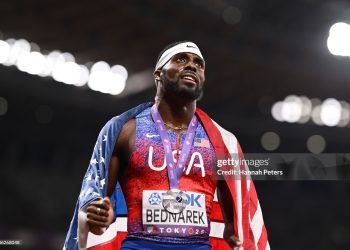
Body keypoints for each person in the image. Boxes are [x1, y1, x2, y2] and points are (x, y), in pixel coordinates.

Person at [64, 41, 269, 250]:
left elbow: (237, 221)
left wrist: (236, 234)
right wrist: (99, 215)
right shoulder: (125, 132)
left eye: (199, 64)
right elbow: (98, 198)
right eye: (181, 59)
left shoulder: (220, 142)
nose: (192, 66)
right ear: (158, 74)